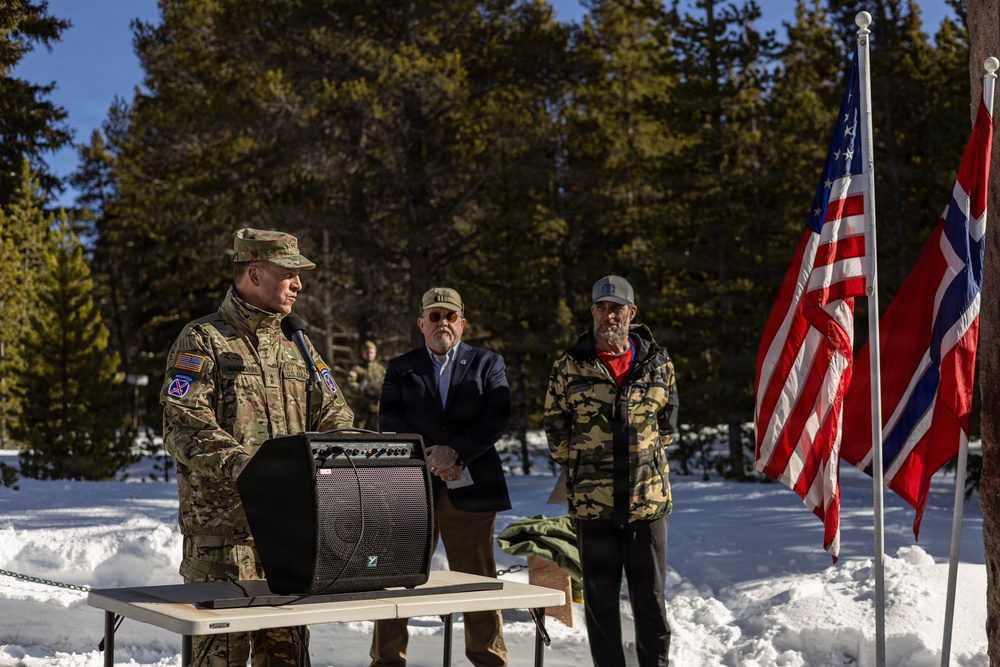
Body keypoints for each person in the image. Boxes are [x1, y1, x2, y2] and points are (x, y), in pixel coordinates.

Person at [160, 228, 354, 666]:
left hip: (291, 535)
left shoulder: (298, 343)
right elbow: (183, 424)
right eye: (290, 275)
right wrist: (246, 468)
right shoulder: (203, 340)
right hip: (223, 540)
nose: (299, 285)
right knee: (219, 659)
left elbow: (336, 413)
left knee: (288, 657)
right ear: (254, 273)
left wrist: (339, 456)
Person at [370, 287, 511, 667]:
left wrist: (457, 452)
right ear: (421, 323)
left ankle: (488, 660)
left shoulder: (488, 363)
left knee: (478, 579)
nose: (442, 324)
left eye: (450, 316)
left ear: (462, 323)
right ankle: (387, 661)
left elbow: (497, 417)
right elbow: (391, 421)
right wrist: (435, 455)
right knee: (397, 575)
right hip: (413, 489)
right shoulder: (401, 367)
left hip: (472, 488)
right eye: (434, 316)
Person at [543, 275, 678, 667]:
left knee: (650, 600)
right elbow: (555, 427)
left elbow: (667, 424)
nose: (608, 315)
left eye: (616, 308)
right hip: (593, 506)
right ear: (592, 312)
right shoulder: (570, 364)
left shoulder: (658, 361)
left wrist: (644, 462)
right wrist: (587, 467)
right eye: (601, 307)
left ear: (632, 313)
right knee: (601, 602)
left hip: (646, 506)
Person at [346, 340, 386, 429]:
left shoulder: (381, 370)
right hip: (361, 408)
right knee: (358, 432)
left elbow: (388, 384)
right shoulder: (357, 369)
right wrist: (362, 389)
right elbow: (350, 383)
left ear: (375, 353)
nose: (369, 354)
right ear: (362, 353)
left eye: (371, 352)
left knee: (379, 433)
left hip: (377, 408)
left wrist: (379, 390)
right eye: (366, 352)